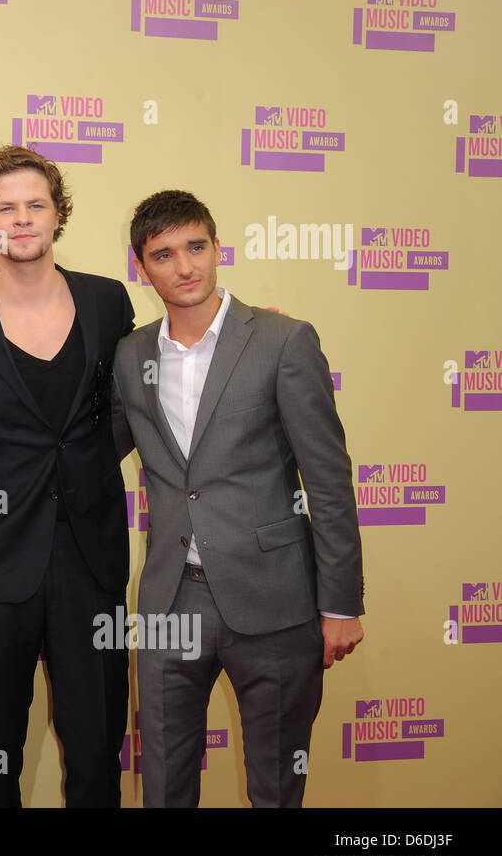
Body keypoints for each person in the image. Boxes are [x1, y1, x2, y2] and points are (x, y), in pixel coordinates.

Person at [113, 189, 365, 807]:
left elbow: (328, 481)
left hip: (276, 599)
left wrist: (340, 602)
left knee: (277, 786)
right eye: (164, 255)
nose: (185, 267)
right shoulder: (131, 355)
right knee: (165, 786)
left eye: (197, 247)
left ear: (217, 247)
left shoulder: (283, 340)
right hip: (172, 599)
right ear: (141, 268)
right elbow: (91, 447)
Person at [0, 145, 134, 807]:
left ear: (57, 213)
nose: (21, 219)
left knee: (98, 749)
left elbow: (135, 409)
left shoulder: (107, 303)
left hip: (91, 559)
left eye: (35, 204)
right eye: (4, 207)